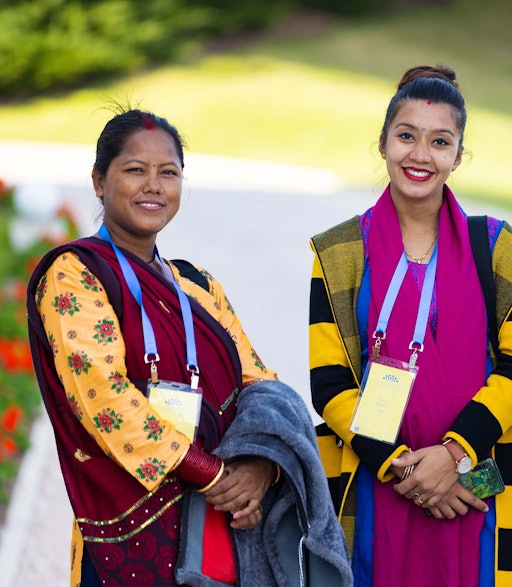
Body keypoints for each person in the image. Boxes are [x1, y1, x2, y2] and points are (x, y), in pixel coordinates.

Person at [26, 107, 352, 586]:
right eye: (135, 170)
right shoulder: (76, 275)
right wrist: (215, 474)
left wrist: (260, 464)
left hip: (219, 528)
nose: (153, 186)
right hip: (130, 527)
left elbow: (259, 382)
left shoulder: (197, 286)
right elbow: (105, 398)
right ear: (98, 181)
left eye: (169, 173)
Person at [309, 64, 512, 586]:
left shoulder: (496, 248)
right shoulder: (340, 253)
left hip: (480, 484)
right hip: (376, 482)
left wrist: (453, 456)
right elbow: (329, 384)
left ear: (458, 155)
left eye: (440, 141)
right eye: (406, 136)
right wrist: (407, 469)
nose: (420, 155)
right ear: (382, 143)